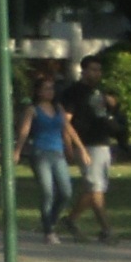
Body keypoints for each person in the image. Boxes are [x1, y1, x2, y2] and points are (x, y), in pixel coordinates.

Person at [13, 76, 89, 244]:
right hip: (40, 153)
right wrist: (17, 151)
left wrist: (81, 149)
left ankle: (52, 221)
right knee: (48, 192)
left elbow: (68, 129)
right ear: (38, 91)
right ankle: (48, 231)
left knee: (66, 191)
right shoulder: (32, 109)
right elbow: (24, 131)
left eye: (52, 88)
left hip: (58, 153)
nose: (50, 92)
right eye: (46, 88)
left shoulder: (58, 108)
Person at [61, 58, 120, 242]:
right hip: (86, 144)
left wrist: (112, 103)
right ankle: (106, 229)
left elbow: (107, 112)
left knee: (96, 188)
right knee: (95, 188)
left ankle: (71, 220)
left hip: (102, 142)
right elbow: (65, 121)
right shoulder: (73, 92)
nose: (97, 73)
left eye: (99, 70)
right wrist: (69, 146)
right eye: (93, 69)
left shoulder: (98, 91)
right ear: (83, 71)